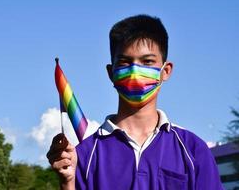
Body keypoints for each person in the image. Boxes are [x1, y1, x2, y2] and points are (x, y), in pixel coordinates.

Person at [47, 14, 223, 190]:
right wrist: (67, 181)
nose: (135, 71)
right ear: (111, 73)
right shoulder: (84, 154)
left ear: (166, 71)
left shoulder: (192, 149)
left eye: (147, 62)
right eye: (125, 62)